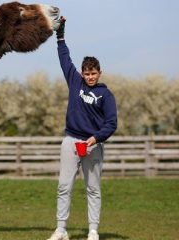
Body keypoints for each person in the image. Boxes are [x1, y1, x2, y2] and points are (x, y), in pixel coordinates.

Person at [47, 17, 118, 240]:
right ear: (82, 73)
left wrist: (95, 139)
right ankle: (61, 230)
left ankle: (93, 231)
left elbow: (111, 124)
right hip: (70, 142)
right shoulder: (75, 81)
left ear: (99, 73)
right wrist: (61, 34)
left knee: (93, 189)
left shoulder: (106, 95)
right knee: (64, 187)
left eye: (93, 73)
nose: (89, 77)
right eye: (86, 73)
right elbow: (64, 58)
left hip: (92, 145)